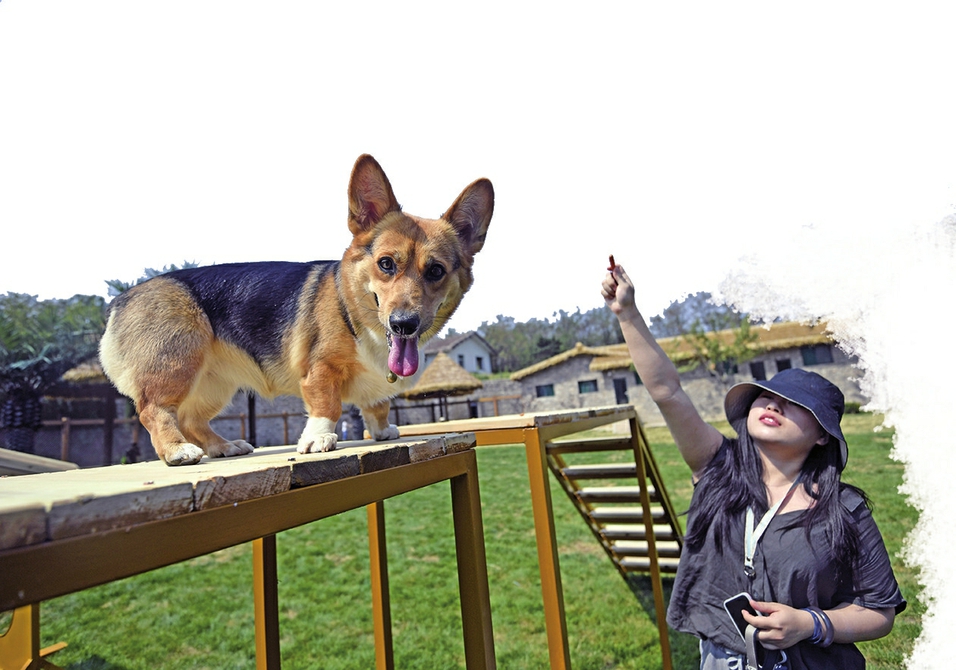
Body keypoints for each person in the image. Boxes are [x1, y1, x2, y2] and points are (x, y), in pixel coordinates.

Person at [601, 262, 905, 670]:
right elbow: (667, 391)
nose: (774, 404)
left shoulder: (845, 509)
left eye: (796, 405)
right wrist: (628, 313)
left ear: (822, 436)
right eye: (767, 396)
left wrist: (810, 623)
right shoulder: (718, 469)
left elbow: (879, 611)